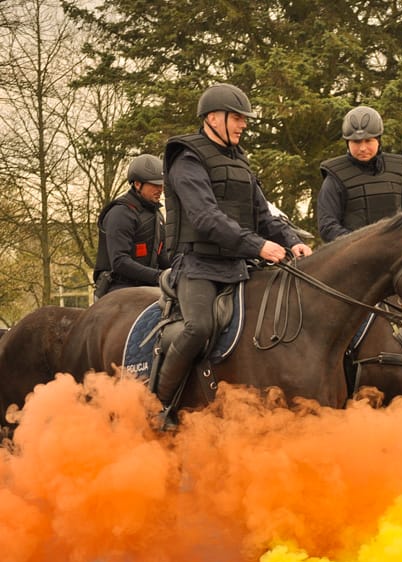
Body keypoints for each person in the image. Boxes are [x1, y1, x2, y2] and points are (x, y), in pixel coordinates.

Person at [156, 82, 313, 425]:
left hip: (237, 264)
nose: (243, 125)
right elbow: (205, 217)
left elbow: (263, 215)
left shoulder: (240, 162)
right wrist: (257, 246)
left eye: (244, 119)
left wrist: (290, 240)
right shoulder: (187, 158)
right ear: (213, 118)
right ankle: (159, 406)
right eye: (237, 118)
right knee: (199, 327)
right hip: (197, 266)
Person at [317, 105, 402, 242]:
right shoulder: (335, 177)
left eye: (368, 140)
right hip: (355, 255)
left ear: (378, 140)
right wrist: (363, 244)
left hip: (397, 252)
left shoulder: (398, 170)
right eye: (356, 141)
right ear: (347, 143)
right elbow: (327, 227)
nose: (363, 148)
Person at [92, 153, 170, 300]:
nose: (160, 189)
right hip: (117, 287)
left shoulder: (157, 215)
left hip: (147, 286)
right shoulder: (120, 213)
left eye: (161, 184)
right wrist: (159, 276)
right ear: (137, 184)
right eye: (155, 184)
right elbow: (120, 262)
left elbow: (162, 258)